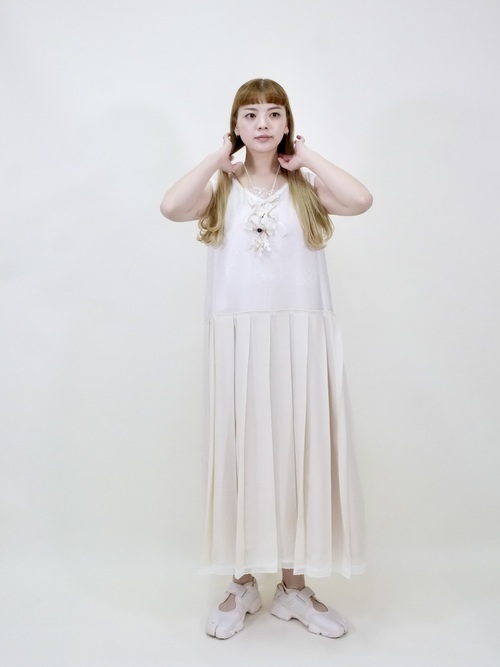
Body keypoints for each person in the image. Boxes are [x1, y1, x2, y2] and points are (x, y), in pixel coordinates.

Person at [160, 78, 372, 640]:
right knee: (241, 454)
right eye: (250, 114)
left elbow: (359, 200)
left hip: (300, 339)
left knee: (299, 454)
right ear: (236, 125)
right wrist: (216, 160)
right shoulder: (220, 188)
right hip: (238, 341)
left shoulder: (304, 187)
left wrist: (309, 158)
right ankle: (242, 582)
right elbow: (171, 207)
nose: (262, 123)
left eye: (273, 113)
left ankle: (294, 589)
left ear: (286, 124)